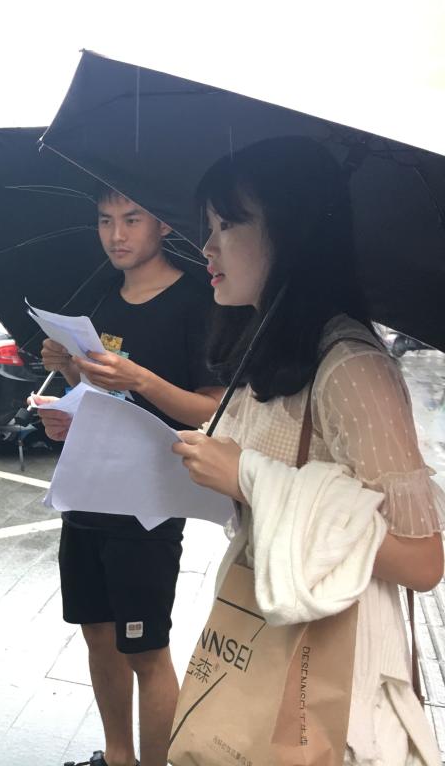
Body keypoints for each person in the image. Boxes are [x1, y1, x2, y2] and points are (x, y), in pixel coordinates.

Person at [174, 136, 444, 764]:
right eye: (208, 226)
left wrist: (253, 478)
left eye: (228, 224)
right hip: (269, 634)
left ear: (292, 232)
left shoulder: (351, 368)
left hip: (337, 676)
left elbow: (425, 561)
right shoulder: (268, 347)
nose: (207, 246)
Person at [35, 189, 223, 766]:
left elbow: (211, 409)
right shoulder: (99, 300)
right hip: (86, 490)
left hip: (149, 501)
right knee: (97, 632)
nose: (117, 235)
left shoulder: (199, 303)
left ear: (162, 224)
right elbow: (98, 399)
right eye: (105, 221)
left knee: (145, 648)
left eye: (132, 219)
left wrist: (140, 378)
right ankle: (119, 755)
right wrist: (66, 393)